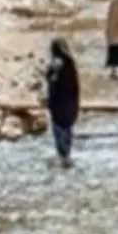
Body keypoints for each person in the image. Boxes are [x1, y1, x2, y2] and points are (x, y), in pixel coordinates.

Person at [44, 38, 82, 167]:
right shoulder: (71, 63)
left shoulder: (55, 63)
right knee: (68, 132)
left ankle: (62, 157)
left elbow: (52, 79)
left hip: (58, 105)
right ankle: (67, 158)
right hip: (71, 105)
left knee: (59, 133)